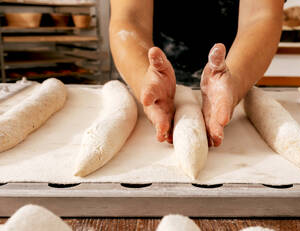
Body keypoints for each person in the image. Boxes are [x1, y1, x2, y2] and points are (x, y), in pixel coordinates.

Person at [109, 0, 284, 146]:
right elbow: (129, 18)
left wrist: (234, 81)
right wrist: (144, 79)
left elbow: (260, 16)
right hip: (148, 72)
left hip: (236, 71)